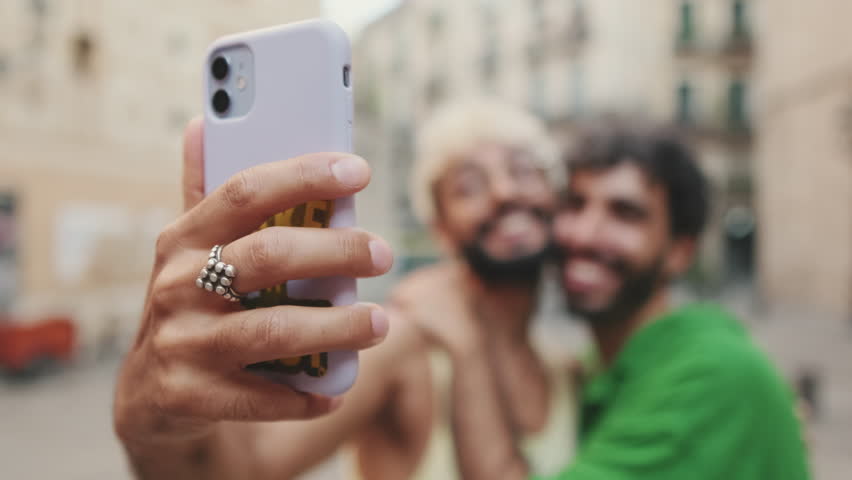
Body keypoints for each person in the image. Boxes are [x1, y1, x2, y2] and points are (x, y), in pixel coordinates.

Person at [114, 100, 576, 479]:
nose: (504, 192)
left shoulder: (568, 365)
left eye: (524, 171)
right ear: (441, 228)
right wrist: (153, 416)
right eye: (469, 186)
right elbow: (237, 469)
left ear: (556, 198)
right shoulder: (398, 341)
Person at [441, 128, 812, 479]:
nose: (584, 234)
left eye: (625, 213)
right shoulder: (596, 368)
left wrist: (465, 338)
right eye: (575, 204)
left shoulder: (711, 373)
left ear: (679, 253)